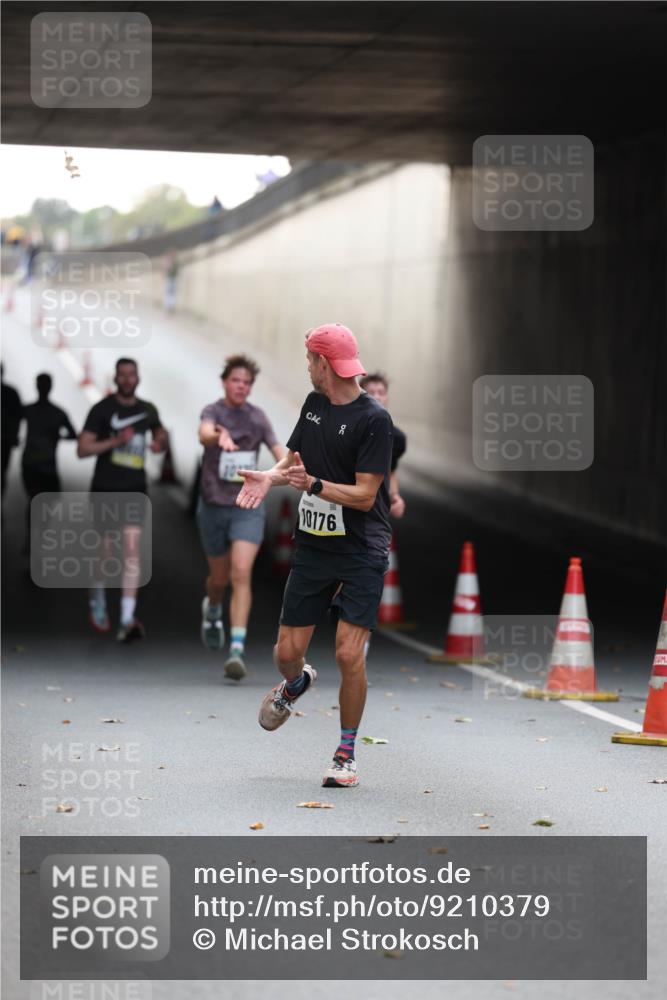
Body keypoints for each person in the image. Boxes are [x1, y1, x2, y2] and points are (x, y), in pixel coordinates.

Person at [236, 324, 393, 789]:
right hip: (315, 547)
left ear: (324, 363)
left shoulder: (374, 420)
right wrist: (269, 477)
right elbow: (294, 464)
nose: (307, 367)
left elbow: (366, 496)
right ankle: (297, 681)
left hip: (362, 548)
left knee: (349, 654)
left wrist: (318, 486)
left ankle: (345, 754)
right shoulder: (314, 406)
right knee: (285, 653)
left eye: (309, 360)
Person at [197, 354, 283, 680]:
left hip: (247, 506)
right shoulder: (213, 412)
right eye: (236, 380)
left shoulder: (257, 418)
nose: (241, 386)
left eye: (247, 382)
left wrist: (296, 466)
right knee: (218, 580)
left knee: (242, 572)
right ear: (224, 382)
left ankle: (236, 648)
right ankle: (213, 609)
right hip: (213, 505)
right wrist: (217, 434)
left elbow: (280, 453)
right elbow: (203, 432)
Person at [78, 358, 168, 641]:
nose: (128, 379)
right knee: (106, 552)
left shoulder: (147, 410)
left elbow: (161, 436)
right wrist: (115, 442)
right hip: (105, 487)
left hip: (135, 488)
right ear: (115, 378)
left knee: (131, 550)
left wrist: (159, 443)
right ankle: (98, 595)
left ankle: (127, 617)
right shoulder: (102, 410)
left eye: (132, 375)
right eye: (123, 375)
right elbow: (82, 449)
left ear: (138, 378)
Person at [21, 374, 76, 543]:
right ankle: (37, 536)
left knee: (36, 500)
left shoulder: (29, 410)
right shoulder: (57, 413)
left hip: (33, 463)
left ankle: (34, 537)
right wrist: (58, 436)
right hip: (43, 465)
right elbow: (73, 434)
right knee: (41, 501)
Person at [359, 372, 407, 519]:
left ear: (387, 397)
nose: (377, 396)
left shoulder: (397, 438)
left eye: (381, 392)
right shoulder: (347, 429)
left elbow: (390, 470)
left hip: (374, 515)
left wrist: (395, 497)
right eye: (371, 392)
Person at [1, 364, 22, 500]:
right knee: (2, 472)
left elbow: (18, 416)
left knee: (2, 472)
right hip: (5, 440)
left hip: (5, 439)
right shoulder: (10, 392)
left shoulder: (10, 393)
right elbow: (18, 416)